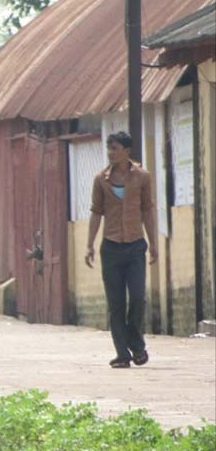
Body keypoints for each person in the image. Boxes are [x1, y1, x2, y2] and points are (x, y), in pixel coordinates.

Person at [85, 131, 158, 368]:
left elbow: (147, 209)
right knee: (116, 303)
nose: (111, 153)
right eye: (109, 149)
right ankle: (123, 354)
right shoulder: (101, 179)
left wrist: (154, 243)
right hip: (111, 247)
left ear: (127, 151)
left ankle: (136, 344)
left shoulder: (142, 177)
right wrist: (89, 245)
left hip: (136, 245)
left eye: (115, 148)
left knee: (137, 298)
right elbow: (96, 212)